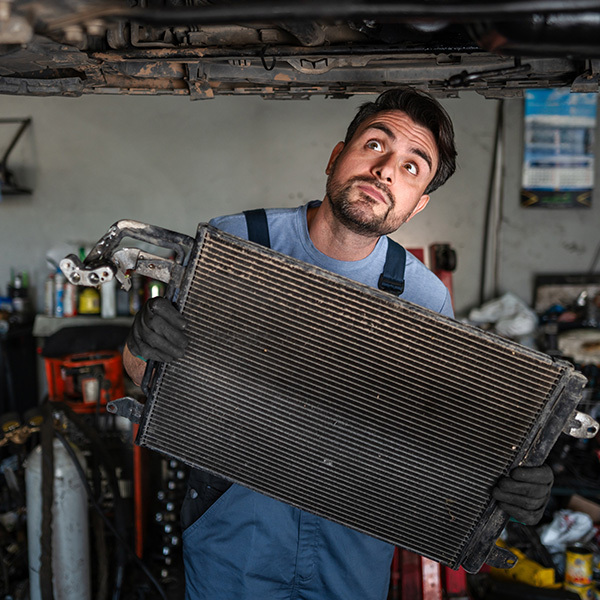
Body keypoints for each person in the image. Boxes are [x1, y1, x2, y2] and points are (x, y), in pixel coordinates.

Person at [123, 87, 554, 600]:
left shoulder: (424, 297)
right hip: (234, 525)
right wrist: (143, 341)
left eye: (413, 168)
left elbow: (431, 437)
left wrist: (511, 481)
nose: (387, 170)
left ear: (417, 207)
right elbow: (142, 376)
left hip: (352, 543)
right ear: (335, 157)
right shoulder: (238, 242)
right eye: (375, 145)